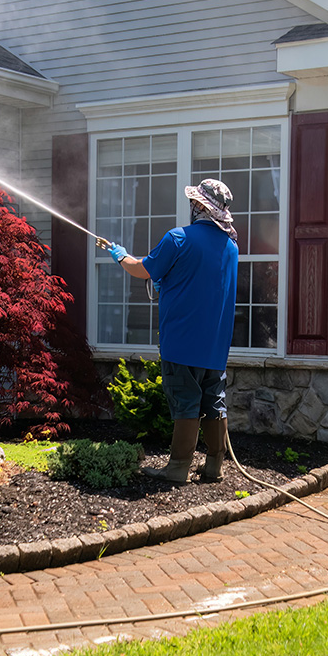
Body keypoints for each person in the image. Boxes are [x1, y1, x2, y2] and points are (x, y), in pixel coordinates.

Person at [107, 179, 239, 483]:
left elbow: (144, 269)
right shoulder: (230, 246)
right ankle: (214, 466)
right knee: (214, 401)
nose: (191, 207)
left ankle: (178, 468)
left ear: (199, 206)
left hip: (182, 341)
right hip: (216, 345)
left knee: (186, 402)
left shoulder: (178, 238)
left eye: (194, 202)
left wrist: (122, 257)